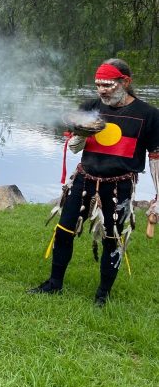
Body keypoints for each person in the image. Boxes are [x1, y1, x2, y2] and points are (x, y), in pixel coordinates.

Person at [30, 59, 159, 305]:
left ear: (125, 82)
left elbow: (156, 157)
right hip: (83, 180)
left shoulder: (149, 115)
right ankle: (54, 284)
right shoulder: (90, 107)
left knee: (112, 238)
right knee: (64, 230)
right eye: (99, 85)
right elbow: (75, 148)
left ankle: (103, 295)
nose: (102, 90)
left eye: (109, 85)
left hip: (118, 186)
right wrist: (79, 134)